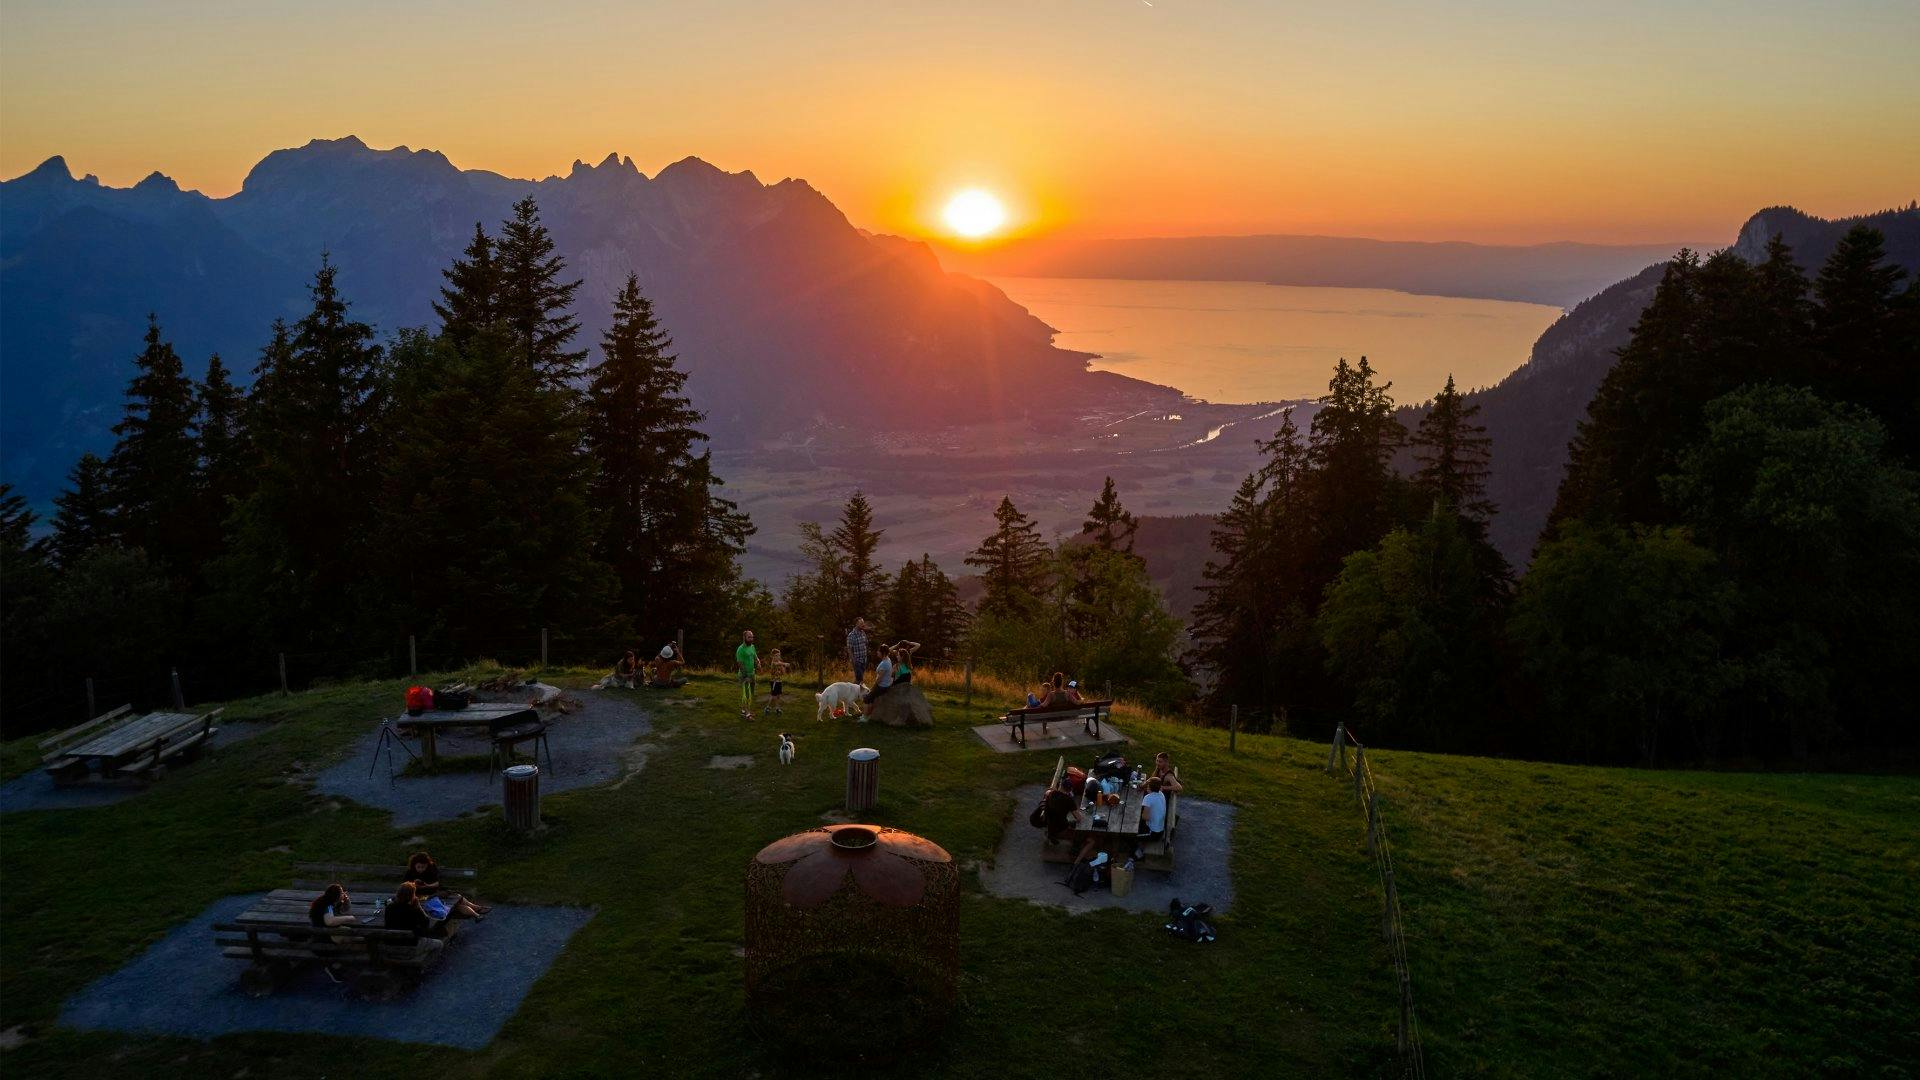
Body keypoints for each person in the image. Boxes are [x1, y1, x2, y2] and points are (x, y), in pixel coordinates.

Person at [405, 851, 488, 919]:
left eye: (423, 867)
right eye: (418, 867)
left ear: (427, 865)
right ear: (414, 865)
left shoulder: (431, 867)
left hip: (434, 892)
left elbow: (437, 883)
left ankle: (477, 911)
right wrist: (414, 884)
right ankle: (477, 912)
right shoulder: (410, 872)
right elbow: (405, 886)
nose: (421, 869)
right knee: (457, 903)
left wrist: (426, 885)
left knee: (456, 898)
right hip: (423, 897)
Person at [382, 881, 448, 951]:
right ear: (412, 895)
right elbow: (426, 924)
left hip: (391, 943)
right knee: (440, 944)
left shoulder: (389, 907)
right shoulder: (413, 909)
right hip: (411, 943)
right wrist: (418, 906)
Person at [1135, 777, 1168, 859]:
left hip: (1153, 833)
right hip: (1159, 827)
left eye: (1147, 786)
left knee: (1130, 835)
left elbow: (1145, 817)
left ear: (1149, 787)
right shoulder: (1161, 794)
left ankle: (1137, 855)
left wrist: (1139, 811)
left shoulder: (1148, 798)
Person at [863, 645, 896, 710]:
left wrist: (872, 688)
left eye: (878, 651)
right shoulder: (887, 659)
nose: (877, 652)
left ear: (883, 653)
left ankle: (865, 717)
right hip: (885, 685)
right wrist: (897, 645)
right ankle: (869, 715)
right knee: (871, 698)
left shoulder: (884, 663)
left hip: (882, 686)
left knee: (866, 699)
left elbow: (879, 679)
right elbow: (888, 650)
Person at [736, 630, 759, 719]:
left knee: (751, 694)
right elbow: (740, 664)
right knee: (746, 694)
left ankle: (743, 711)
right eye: (749, 637)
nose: (751, 639)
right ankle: (747, 714)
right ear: (744, 638)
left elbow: (755, 656)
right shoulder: (740, 649)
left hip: (752, 673)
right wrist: (746, 677)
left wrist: (758, 661)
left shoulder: (752, 647)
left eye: (752, 637)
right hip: (744, 675)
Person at [846, 617, 871, 687]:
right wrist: (854, 660)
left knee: (858, 679)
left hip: (864, 659)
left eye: (863, 623)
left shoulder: (863, 633)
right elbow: (849, 649)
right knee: (860, 678)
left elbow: (866, 643)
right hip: (857, 660)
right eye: (861, 623)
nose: (863, 624)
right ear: (856, 624)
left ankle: (854, 691)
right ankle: (854, 692)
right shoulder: (851, 635)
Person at [767, 649, 789, 715]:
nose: (777, 657)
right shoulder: (773, 662)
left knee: (778, 695)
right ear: (772, 656)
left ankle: (768, 707)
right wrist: (784, 664)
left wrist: (783, 666)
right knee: (774, 696)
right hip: (774, 681)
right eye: (776, 655)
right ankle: (777, 708)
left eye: (778, 655)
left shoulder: (779, 662)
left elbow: (783, 673)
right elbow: (777, 664)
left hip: (779, 681)